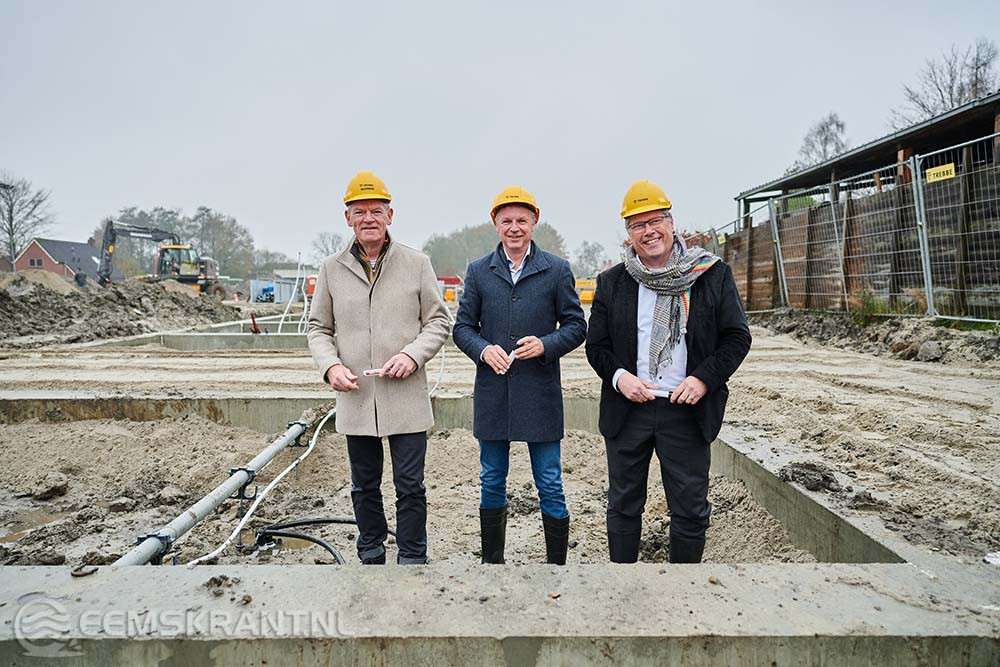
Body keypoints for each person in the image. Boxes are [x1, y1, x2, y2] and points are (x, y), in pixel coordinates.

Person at [585, 179, 751, 564]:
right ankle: (623, 585)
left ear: (672, 223)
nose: (649, 231)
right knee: (624, 504)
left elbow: (736, 338)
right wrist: (619, 377)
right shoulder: (613, 282)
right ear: (628, 234)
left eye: (655, 220)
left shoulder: (711, 274)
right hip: (629, 411)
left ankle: (685, 591)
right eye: (638, 225)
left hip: (687, 410)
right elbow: (597, 347)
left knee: (690, 509)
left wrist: (703, 379)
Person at [308, 171, 451, 565]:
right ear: (347, 217)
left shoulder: (416, 263)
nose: (368, 218)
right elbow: (319, 328)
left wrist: (412, 355)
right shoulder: (331, 269)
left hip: (405, 396)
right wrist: (330, 367)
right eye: (360, 211)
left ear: (391, 215)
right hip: (356, 395)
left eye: (376, 210)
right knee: (364, 485)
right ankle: (370, 553)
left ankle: (412, 558)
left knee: (410, 485)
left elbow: (439, 322)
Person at [453, 186, 587, 564]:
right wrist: (483, 349)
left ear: (534, 222)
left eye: (522, 220)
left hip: (539, 393)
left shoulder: (557, 270)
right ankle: (492, 563)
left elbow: (576, 326)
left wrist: (546, 344)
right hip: (494, 392)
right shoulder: (479, 271)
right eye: (507, 220)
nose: (514, 228)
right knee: (492, 478)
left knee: (549, 481)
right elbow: (462, 328)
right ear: (495, 223)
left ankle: (555, 565)